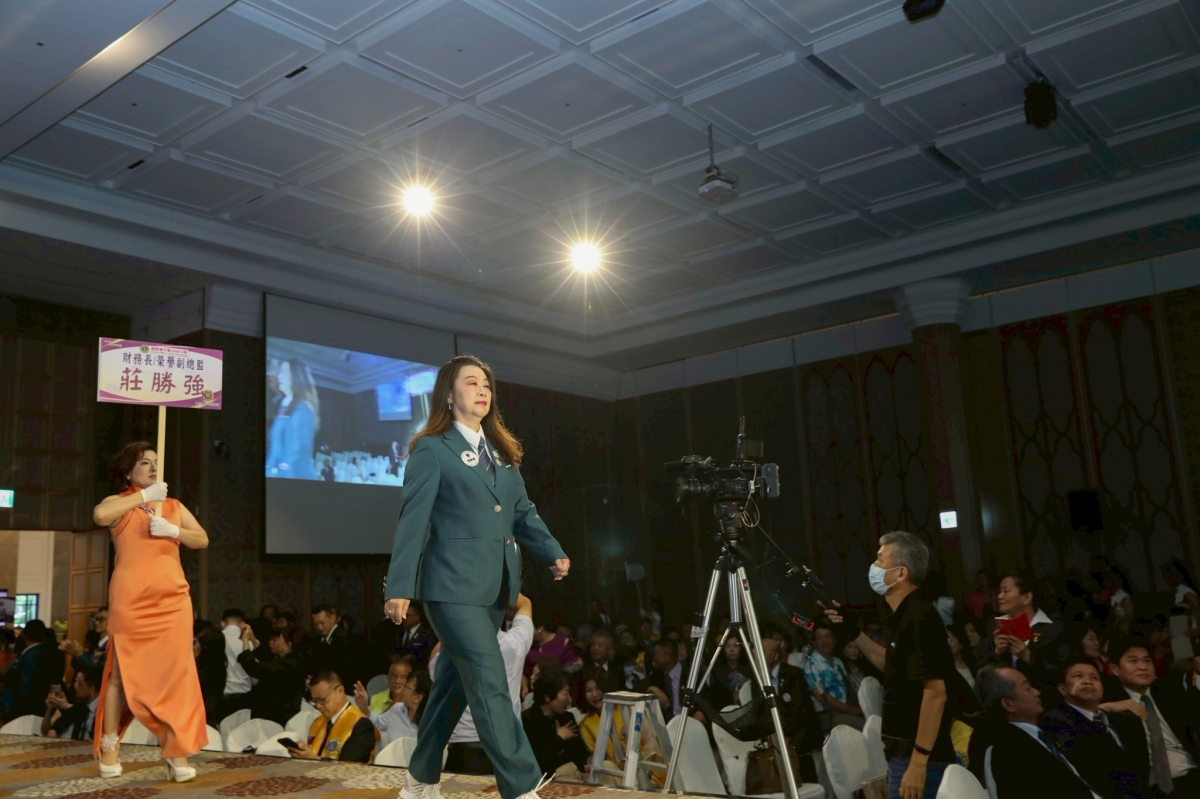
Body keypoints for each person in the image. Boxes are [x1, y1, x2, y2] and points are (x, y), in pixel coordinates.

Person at [382, 354, 570, 799]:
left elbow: (522, 512)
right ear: (449, 394)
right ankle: (522, 788)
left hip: (494, 591)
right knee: (490, 683)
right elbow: (412, 521)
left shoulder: (502, 454)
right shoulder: (432, 448)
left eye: (486, 384)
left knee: (450, 690)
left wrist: (552, 551)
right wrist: (400, 586)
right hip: (450, 589)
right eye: (471, 382)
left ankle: (419, 781)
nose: (482, 389)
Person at [91, 442, 208, 782]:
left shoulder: (172, 505)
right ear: (129, 471)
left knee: (176, 676)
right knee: (120, 674)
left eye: (156, 461)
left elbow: (201, 539)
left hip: (173, 599)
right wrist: (144, 496)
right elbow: (100, 516)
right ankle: (110, 746)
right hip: (131, 599)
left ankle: (175, 751)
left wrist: (174, 530)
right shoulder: (120, 503)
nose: (154, 467)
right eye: (145, 463)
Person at [824, 531, 954, 799]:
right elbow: (891, 664)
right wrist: (852, 630)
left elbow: (935, 693)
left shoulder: (919, 616)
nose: (874, 566)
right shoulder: (905, 615)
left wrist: (918, 763)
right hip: (903, 751)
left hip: (917, 755)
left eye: (880, 560)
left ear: (901, 573)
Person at [425, 592, 536, 775]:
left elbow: (433, 662)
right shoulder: (514, 644)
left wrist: (452, 627)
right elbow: (525, 603)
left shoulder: (453, 651)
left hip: (463, 752)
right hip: (506, 749)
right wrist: (498, 586)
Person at [971, 664, 1099, 798]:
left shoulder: (1043, 732)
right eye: (1028, 688)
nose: (1037, 692)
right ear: (1009, 704)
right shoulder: (1008, 753)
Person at [1104, 636, 1200, 795]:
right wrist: (1107, 708)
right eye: (1133, 661)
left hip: (1192, 775)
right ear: (1115, 668)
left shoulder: (1169, 691)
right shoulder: (1110, 701)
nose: (1142, 667)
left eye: (1147, 660)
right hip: (1148, 790)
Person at [1040, 657, 1144, 799]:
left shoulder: (1117, 717)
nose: (1088, 681)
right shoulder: (1055, 721)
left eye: (1094, 677)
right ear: (1062, 688)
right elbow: (1092, 769)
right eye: (1078, 676)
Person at [992, 569, 1071, 697]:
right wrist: (997, 653)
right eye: (1000, 591)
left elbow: (1063, 671)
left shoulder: (1055, 629)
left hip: (1045, 697)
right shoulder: (996, 626)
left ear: (1027, 597)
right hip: (1007, 699)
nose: (1000, 596)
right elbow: (981, 669)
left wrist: (1028, 656)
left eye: (1006, 591)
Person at [288, 671, 374, 763]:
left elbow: (350, 766)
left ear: (340, 691)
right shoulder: (317, 723)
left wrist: (314, 760)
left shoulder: (361, 724)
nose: (318, 705)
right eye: (314, 700)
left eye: (322, 699)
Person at [522, 670, 589, 780]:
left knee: (607, 766)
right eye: (565, 693)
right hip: (550, 778)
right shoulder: (528, 720)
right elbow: (541, 762)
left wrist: (584, 766)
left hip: (577, 773)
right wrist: (559, 738)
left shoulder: (567, 717)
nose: (569, 699)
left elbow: (580, 753)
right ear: (548, 697)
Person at [802, 622, 864, 730]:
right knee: (866, 726)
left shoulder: (838, 661)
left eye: (828, 636)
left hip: (846, 711)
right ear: (814, 642)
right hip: (828, 715)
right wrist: (850, 710)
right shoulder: (811, 665)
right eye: (820, 637)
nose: (825, 640)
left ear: (834, 640)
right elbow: (821, 695)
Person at [237, 625, 304, 726]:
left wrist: (245, 641)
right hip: (278, 714)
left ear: (288, 644)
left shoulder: (287, 664)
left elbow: (254, 668)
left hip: (276, 716)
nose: (276, 642)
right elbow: (265, 659)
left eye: (279, 638)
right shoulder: (292, 661)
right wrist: (253, 639)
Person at [266, 357, 319, 479]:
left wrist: (273, 475)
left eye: (284, 372)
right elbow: (276, 448)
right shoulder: (285, 404)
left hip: (294, 479)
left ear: (296, 377)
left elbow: (295, 454)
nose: (279, 376)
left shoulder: (304, 408)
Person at [0, 619, 61, 723]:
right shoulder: (47, 652)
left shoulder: (30, 656)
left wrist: (17, 711)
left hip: (21, 712)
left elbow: (25, 686)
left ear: (25, 634)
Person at [354, 669, 431, 748]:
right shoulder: (398, 709)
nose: (402, 688)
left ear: (418, 698)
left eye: (406, 686)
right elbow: (378, 722)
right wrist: (364, 708)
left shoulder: (430, 724)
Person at [40, 663, 103, 740]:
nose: (75, 685)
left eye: (79, 682)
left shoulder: (103, 710)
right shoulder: (81, 707)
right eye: (75, 680)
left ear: (92, 688)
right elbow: (52, 729)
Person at [218, 608, 255, 720]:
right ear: (243, 624)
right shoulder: (248, 642)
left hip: (222, 695)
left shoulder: (216, 638)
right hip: (245, 696)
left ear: (223, 623)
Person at [526, 605, 581, 677]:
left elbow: (578, 664)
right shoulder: (526, 644)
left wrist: (559, 671)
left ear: (540, 628)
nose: (525, 631)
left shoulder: (563, 642)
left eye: (528, 627)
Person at [945, 623, 981, 719]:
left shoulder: (975, 664)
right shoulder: (944, 672)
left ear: (960, 643)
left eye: (950, 640)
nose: (946, 644)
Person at [643, 640, 683, 722]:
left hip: (686, 721)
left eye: (656, 654)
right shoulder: (657, 674)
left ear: (668, 656)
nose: (654, 657)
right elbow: (642, 692)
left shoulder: (689, 673)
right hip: (664, 723)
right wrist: (653, 689)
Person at [193, 625, 226, 725]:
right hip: (211, 718)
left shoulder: (198, 672)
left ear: (203, 647)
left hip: (198, 719)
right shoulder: (219, 668)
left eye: (195, 642)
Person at [396, 602, 438, 669]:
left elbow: (430, 655)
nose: (403, 618)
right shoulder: (399, 633)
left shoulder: (427, 634)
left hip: (419, 670)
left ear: (417, 617)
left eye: (407, 615)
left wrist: (412, 657)